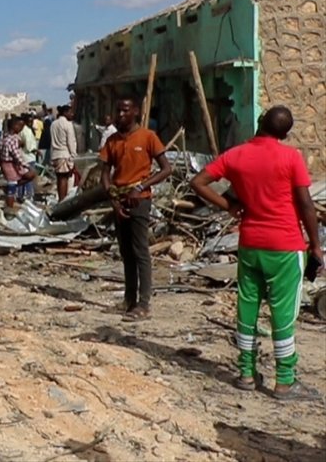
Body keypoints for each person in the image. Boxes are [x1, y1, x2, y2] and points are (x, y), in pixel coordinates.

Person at [190, 106, 323, 400]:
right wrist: (315, 245)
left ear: (261, 122)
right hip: (285, 246)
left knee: (247, 308)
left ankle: (246, 374)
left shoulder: (236, 155)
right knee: (283, 314)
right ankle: (285, 381)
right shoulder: (291, 158)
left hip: (250, 243)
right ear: (286, 134)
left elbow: (197, 182)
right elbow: (305, 203)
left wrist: (228, 207)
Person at [100, 97, 172, 322]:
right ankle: (129, 300)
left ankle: (143, 304)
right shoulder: (112, 141)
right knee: (126, 253)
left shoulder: (148, 137)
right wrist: (112, 197)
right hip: (119, 200)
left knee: (140, 251)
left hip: (139, 200)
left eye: (126, 110)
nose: (121, 114)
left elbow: (166, 169)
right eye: (119, 110)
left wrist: (141, 186)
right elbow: (104, 173)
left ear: (136, 112)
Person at [0, 117, 35, 208]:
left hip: (7, 163)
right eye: (20, 126)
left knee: (17, 181)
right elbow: (16, 155)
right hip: (10, 164)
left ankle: (11, 193)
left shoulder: (5, 137)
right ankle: (10, 207)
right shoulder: (12, 139)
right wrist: (27, 166)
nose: (21, 128)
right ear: (15, 126)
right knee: (12, 185)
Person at [50, 105, 78, 200]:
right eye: (70, 112)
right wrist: (74, 156)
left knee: (59, 179)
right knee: (64, 179)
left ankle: (60, 199)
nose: (72, 114)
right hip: (64, 154)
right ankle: (62, 200)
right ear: (65, 113)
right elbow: (71, 142)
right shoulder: (67, 124)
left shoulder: (53, 124)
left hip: (55, 154)